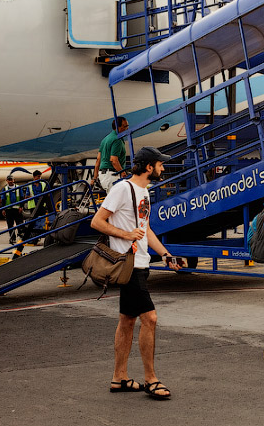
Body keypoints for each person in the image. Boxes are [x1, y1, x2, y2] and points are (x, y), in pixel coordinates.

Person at [89, 146, 182, 399]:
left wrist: (165, 254)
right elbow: (97, 222)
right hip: (128, 267)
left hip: (141, 263)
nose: (163, 168)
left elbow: (146, 228)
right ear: (149, 167)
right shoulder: (122, 189)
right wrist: (126, 234)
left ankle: (119, 378)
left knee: (127, 320)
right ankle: (151, 379)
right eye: (160, 164)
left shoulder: (144, 192)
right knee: (149, 318)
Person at [95, 117, 130, 192]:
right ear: (118, 127)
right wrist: (123, 173)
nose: (127, 128)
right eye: (125, 126)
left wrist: (94, 178)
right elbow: (114, 160)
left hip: (103, 175)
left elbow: (98, 159)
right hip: (111, 175)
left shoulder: (105, 139)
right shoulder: (117, 140)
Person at [0, 175, 23, 244]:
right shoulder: (5, 189)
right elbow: (3, 200)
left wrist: (21, 207)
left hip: (17, 209)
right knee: (10, 225)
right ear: (7, 181)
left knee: (20, 223)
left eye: (11, 180)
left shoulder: (18, 188)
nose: (10, 181)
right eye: (9, 180)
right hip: (8, 209)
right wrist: (3, 209)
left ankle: (21, 236)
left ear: (14, 180)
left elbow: (21, 197)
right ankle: (13, 238)